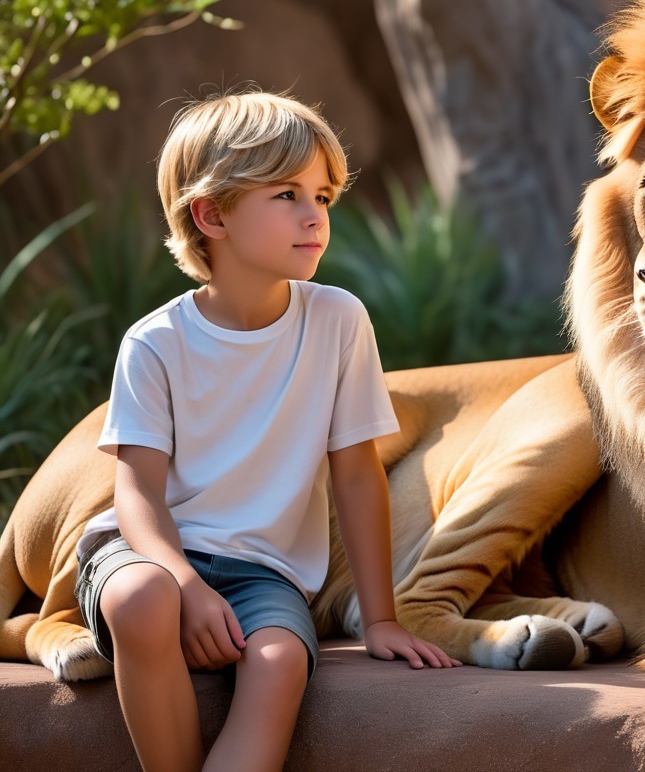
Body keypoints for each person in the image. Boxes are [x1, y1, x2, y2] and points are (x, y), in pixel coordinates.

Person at [73, 88, 462, 772]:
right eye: (287, 195)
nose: (315, 217)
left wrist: (380, 620)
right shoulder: (154, 343)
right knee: (143, 599)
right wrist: (186, 584)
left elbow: (356, 475)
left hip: (264, 575)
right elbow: (135, 495)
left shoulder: (339, 322)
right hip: (150, 556)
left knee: (280, 663)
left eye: (324, 197)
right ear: (211, 213)